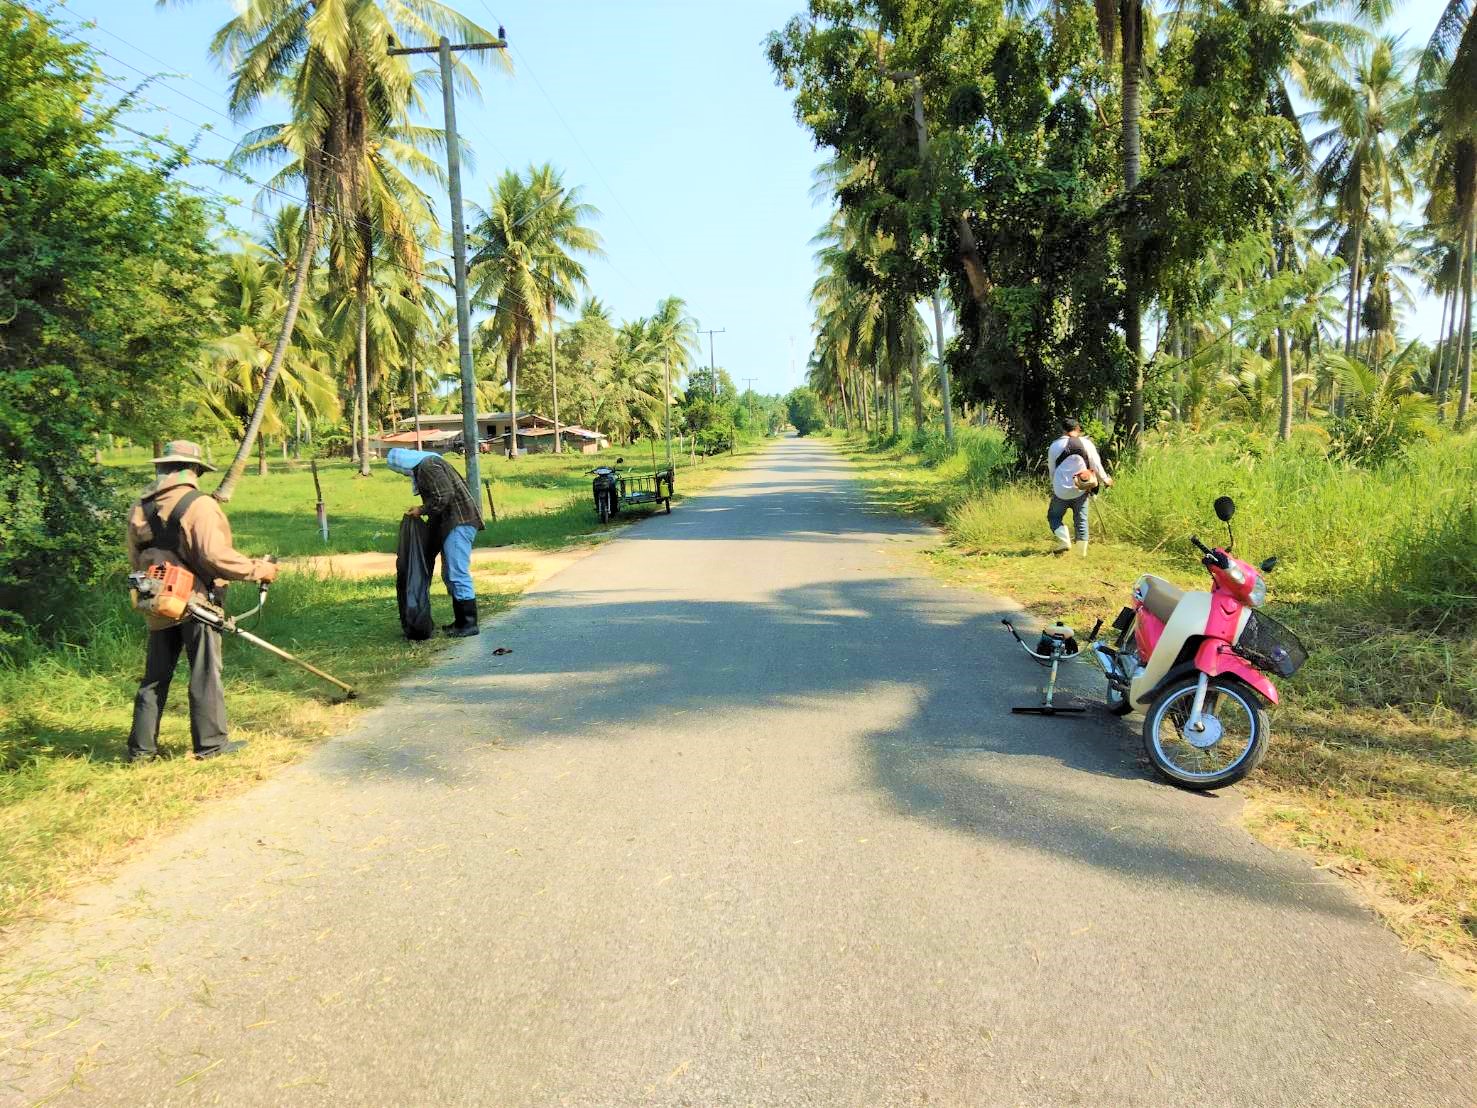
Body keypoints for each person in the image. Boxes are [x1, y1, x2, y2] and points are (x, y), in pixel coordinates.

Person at [126, 440, 279, 763]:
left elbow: (135, 558)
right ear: (193, 470)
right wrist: (259, 570)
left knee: (155, 676)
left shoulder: (140, 507)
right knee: (204, 672)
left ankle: (141, 750)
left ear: (162, 469)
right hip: (197, 603)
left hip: (158, 600)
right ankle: (210, 745)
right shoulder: (199, 505)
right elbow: (215, 557)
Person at [386, 448, 485, 637]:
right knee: (450, 573)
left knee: (457, 572)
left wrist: (421, 510)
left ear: (403, 463)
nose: (402, 473)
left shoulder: (427, 466)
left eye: (399, 469)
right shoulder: (429, 463)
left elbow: (443, 495)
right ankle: (461, 621)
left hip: (459, 522)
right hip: (456, 522)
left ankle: (469, 623)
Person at [1047, 417, 1112, 557]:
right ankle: (1081, 554)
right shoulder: (1087, 444)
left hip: (1061, 491)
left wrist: (1056, 486)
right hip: (1081, 489)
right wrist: (1106, 480)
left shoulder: (1054, 446)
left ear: (1063, 430)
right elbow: (1096, 465)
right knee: (1081, 519)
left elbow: (1052, 470)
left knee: (1054, 516)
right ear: (1078, 429)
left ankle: (1064, 540)